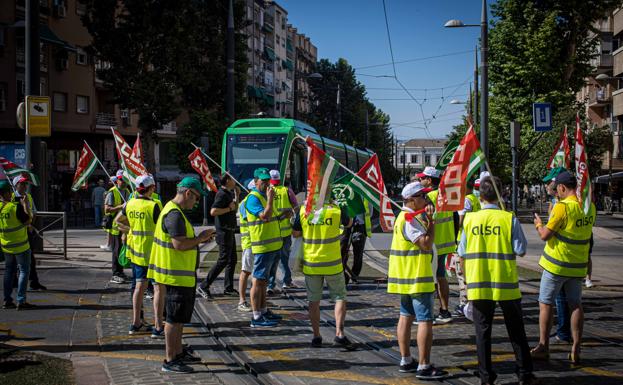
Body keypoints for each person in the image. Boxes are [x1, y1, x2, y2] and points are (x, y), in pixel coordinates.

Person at [458, 176, 536, 385]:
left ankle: (486, 377)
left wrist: (465, 284)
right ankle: (524, 374)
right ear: (501, 194)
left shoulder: (470, 220)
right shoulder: (508, 218)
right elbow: (521, 250)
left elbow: (462, 253)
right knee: (516, 331)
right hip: (506, 284)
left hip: (479, 283)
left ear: (480, 195)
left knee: (482, 332)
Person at [148, 177, 215, 373]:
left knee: (178, 319)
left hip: (179, 275)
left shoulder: (174, 211)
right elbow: (179, 245)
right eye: (196, 198)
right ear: (188, 193)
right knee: (173, 320)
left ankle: (177, 352)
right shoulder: (174, 214)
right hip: (174, 276)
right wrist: (200, 238)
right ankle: (170, 359)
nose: (196, 203)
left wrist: (199, 240)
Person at [531, 170, 596, 365]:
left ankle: (543, 346)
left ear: (561, 188)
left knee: (546, 303)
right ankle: (576, 346)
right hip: (578, 265)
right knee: (575, 304)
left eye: (557, 189)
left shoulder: (562, 208)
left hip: (556, 265)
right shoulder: (589, 207)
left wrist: (538, 224)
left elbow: (545, 235)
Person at [388, 181, 448, 380]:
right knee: (425, 321)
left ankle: (406, 360)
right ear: (412, 200)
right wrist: (432, 223)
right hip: (418, 278)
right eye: (422, 196)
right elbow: (425, 243)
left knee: (406, 316)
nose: (426, 199)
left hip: (406, 277)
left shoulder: (407, 216)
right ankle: (424, 365)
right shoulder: (408, 219)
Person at [292, 199, 356, 350]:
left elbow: (295, 233)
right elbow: (349, 223)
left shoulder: (304, 210)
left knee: (313, 301)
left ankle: (316, 336)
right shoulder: (336, 209)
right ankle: (339, 334)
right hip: (332, 263)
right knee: (340, 297)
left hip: (312, 263)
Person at [115, 175, 164, 337]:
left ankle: (135, 323)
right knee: (158, 289)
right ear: (152, 189)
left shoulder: (130, 203)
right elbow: (165, 228)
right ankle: (158, 327)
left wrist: (129, 231)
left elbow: (117, 221)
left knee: (138, 288)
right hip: (154, 254)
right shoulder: (154, 205)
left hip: (136, 253)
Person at [246, 168, 283, 327]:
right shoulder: (253, 198)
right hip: (262, 247)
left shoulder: (265, 197)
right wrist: (269, 200)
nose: (267, 184)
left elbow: (271, 219)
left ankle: (263, 310)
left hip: (272, 246)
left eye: (268, 180)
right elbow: (264, 216)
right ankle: (256, 316)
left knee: (264, 281)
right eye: (263, 181)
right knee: (258, 281)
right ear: (255, 182)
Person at [417, 166, 454, 324]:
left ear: (429, 180)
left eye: (422, 178)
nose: (420, 181)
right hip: (446, 243)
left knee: (430, 279)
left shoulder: (429, 197)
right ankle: (444, 310)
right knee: (441, 278)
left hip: (433, 244)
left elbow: (424, 221)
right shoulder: (446, 196)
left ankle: (428, 314)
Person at [197, 173, 239, 299]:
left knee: (232, 260)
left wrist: (236, 195)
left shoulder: (228, 193)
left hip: (229, 231)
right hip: (224, 232)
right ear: (227, 181)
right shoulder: (221, 194)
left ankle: (229, 287)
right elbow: (213, 211)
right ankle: (204, 285)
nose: (234, 180)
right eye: (232, 178)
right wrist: (228, 209)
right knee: (223, 260)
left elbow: (234, 208)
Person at [1, 180, 34, 310]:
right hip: (21, 245)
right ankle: (21, 300)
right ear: (8, 193)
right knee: (24, 271)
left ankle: (7, 300)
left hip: (6, 246)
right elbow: (28, 220)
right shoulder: (14, 207)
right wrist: (25, 205)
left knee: (8, 271)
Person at [11, 175, 46, 291]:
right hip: (15, 233)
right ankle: (15, 282)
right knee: (15, 259)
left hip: (27, 232)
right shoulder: (11, 197)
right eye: (22, 184)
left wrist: (31, 224)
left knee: (30, 258)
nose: (24, 186)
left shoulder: (29, 197)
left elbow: (34, 212)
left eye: (25, 184)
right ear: (16, 185)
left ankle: (33, 281)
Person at [268, 170, 298, 294]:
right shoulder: (287, 190)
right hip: (285, 232)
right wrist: (291, 215)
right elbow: (296, 207)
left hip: (271, 231)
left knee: (271, 259)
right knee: (284, 258)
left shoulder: (266, 191)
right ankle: (286, 281)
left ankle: (270, 284)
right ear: (279, 179)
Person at [454, 178, 481, 316]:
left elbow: (460, 221)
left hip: (463, 239)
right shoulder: (475, 199)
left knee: (462, 273)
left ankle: (464, 303)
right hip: (474, 238)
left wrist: (452, 230)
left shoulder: (466, 200)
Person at [105, 170, 131, 284]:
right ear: (117, 180)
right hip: (116, 226)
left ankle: (120, 271)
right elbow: (107, 209)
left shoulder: (127, 191)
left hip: (125, 226)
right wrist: (121, 206)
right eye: (121, 179)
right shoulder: (112, 192)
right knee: (116, 250)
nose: (123, 182)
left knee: (121, 249)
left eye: (125, 179)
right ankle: (115, 273)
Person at [340, 198, 372, 285]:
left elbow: (370, 211)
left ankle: (355, 275)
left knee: (358, 253)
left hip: (359, 226)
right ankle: (341, 274)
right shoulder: (345, 194)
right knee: (342, 251)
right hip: (346, 226)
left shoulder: (364, 196)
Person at [237, 179, 257, 312]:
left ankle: (256, 301)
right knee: (246, 271)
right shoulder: (246, 203)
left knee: (256, 273)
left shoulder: (253, 200)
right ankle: (242, 300)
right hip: (250, 243)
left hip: (257, 243)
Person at [100, 176, 117, 251]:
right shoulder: (111, 191)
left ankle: (109, 245)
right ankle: (109, 244)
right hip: (113, 214)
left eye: (110, 181)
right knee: (109, 231)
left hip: (112, 214)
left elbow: (108, 206)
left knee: (110, 231)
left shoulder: (112, 191)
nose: (109, 182)